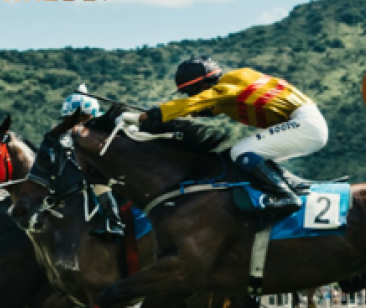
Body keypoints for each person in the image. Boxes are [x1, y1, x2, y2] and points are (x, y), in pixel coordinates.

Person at [124, 55, 328, 215]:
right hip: (304, 123)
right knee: (251, 155)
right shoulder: (230, 91)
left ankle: (286, 196)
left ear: (204, 84)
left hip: (304, 123)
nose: (191, 96)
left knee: (241, 151)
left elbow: (197, 102)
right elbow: (211, 106)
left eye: (191, 91)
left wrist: (143, 117)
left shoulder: (234, 80)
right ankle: (291, 185)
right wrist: (197, 112)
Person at [61, 83, 124, 239]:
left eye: (76, 119)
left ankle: (115, 223)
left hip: (115, 173)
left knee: (98, 183)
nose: (72, 123)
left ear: (87, 116)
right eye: (69, 120)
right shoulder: (73, 135)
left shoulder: (100, 129)